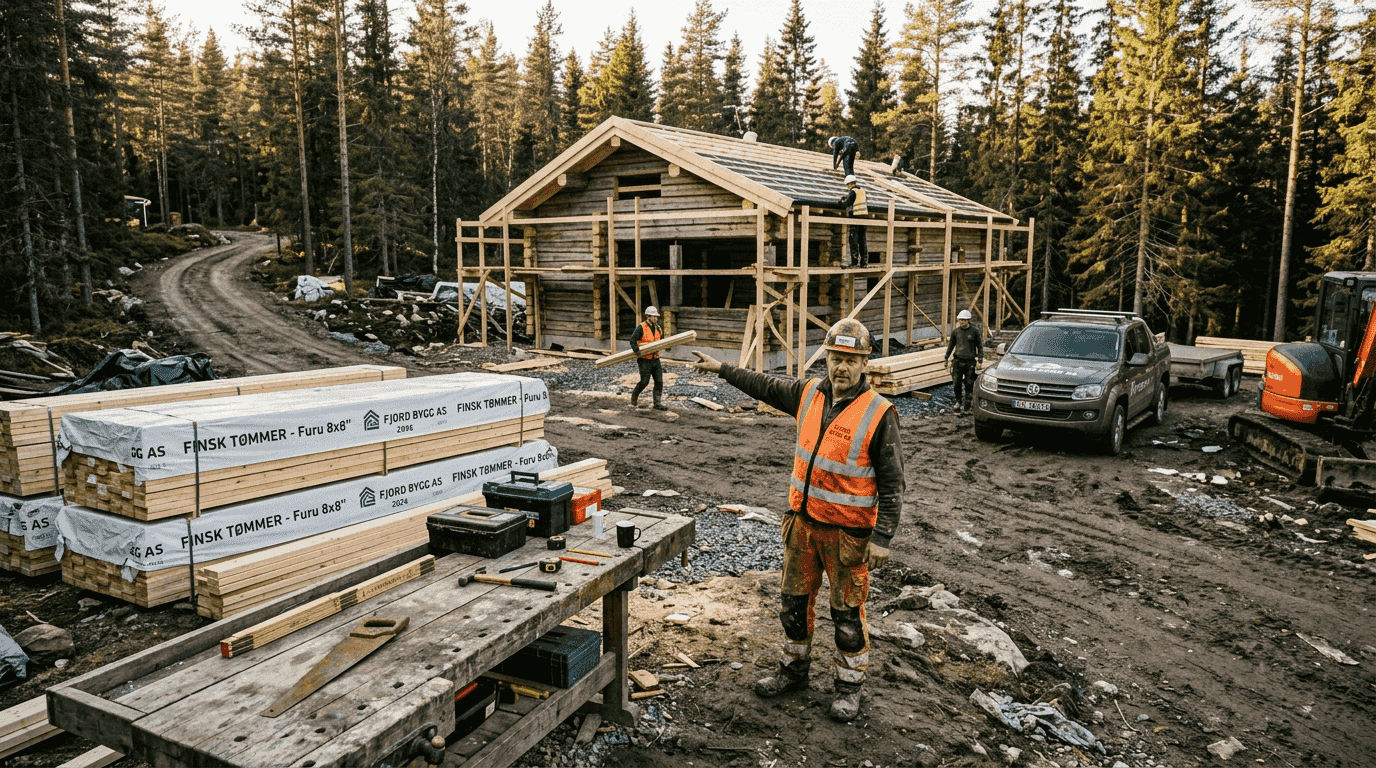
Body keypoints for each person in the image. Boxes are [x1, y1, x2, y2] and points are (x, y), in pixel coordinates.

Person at [691, 318, 905, 722]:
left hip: (848, 536)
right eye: (836, 358)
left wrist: (883, 537)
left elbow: (894, 482)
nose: (841, 367)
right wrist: (722, 369)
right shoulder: (809, 394)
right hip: (802, 527)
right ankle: (793, 671)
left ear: (864, 364)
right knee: (792, 605)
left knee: (846, 616)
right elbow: (764, 385)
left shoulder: (879, 413)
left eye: (850, 360)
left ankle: (848, 687)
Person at [944, 309, 984, 413]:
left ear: (968, 320)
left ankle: (967, 404)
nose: (961, 322)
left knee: (969, 383)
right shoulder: (955, 332)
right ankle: (958, 401)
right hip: (957, 361)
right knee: (956, 382)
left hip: (970, 362)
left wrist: (980, 360)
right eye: (960, 320)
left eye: (963, 320)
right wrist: (946, 358)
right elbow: (951, 345)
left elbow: (979, 346)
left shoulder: (974, 331)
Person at [630, 306, 667, 410]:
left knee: (659, 381)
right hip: (644, 360)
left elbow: (661, 341)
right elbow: (632, 340)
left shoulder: (658, 328)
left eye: (656, 316)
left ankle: (657, 403)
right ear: (648, 316)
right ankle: (634, 398)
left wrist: (666, 346)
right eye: (654, 316)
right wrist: (637, 351)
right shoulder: (641, 327)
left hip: (655, 359)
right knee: (644, 381)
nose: (656, 318)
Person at [837, 175, 869, 267]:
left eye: (847, 185)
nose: (847, 187)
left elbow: (846, 204)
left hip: (856, 218)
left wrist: (840, 202)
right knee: (862, 240)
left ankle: (854, 262)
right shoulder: (863, 191)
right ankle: (864, 263)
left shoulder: (853, 192)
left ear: (851, 183)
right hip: (864, 218)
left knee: (853, 240)